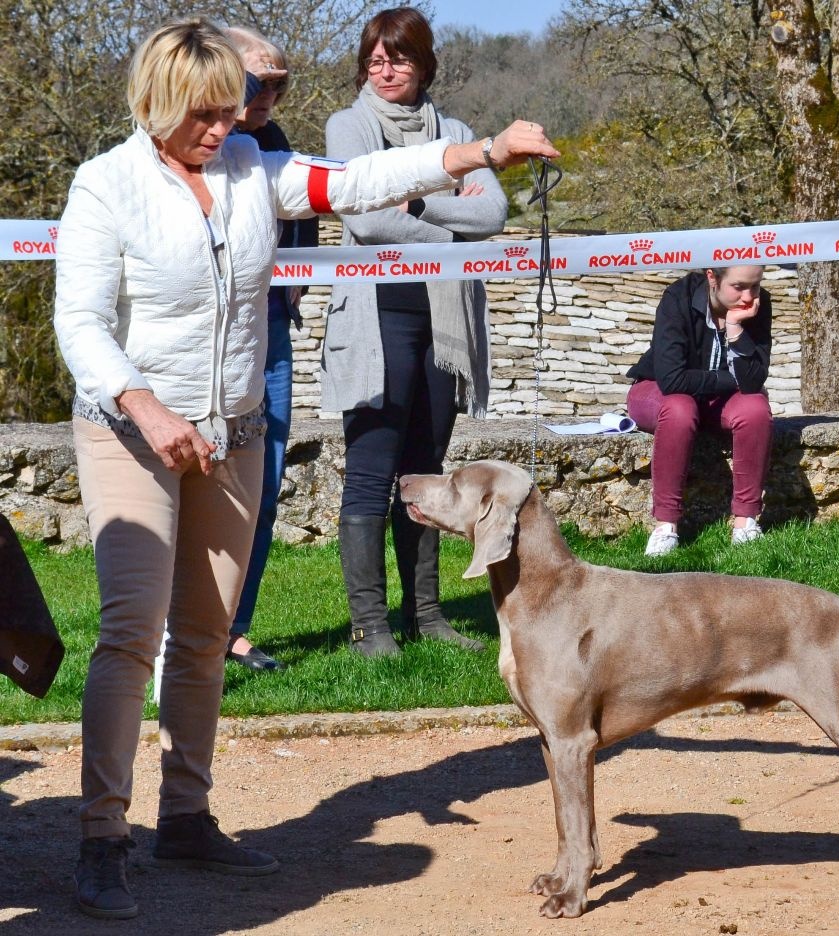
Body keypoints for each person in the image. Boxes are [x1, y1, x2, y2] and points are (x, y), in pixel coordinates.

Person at [53, 17, 557, 920]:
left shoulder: (256, 169)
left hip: (232, 433)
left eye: (234, 109)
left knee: (205, 635)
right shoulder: (105, 186)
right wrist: (148, 407)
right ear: (157, 103)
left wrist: (485, 150)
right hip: (129, 429)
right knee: (134, 633)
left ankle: (187, 816)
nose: (227, 126)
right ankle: (100, 836)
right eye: (206, 113)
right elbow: (82, 324)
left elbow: (362, 179)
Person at [322, 7, 508, 656]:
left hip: (444, 324)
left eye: (397, 56)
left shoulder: (455, 130)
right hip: (375, 321)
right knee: (373, 472)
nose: (384, 68)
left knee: (426, 471)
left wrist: (424, 204)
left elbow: (494, 214)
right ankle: (370, 627)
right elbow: (367, 222)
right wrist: (454, 222)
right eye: (374, 57)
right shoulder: (348, 126)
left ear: (424, 63)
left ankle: (425, 616)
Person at [222, 26, 317, 672]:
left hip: (272, 333)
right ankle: (185, 633)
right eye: (259, 82)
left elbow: (311, 212)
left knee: (266, 483)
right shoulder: (185, 144)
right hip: (210, 337)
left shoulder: (275, 143)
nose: (270, 97)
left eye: (280, 85)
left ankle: (235, 628)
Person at [625, 266, 774, 556]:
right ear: (712, 278)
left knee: (755, 409)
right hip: (657, 392)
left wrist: (734, 328)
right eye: (739, 287)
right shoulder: (677, 298)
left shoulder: (758, 304)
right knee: (680, 408)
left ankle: (745, 522)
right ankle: (666, 526)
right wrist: (732, 381)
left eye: (755, 286)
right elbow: (672, 380)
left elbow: (755, 380)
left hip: (717, 400)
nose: (748, 296)